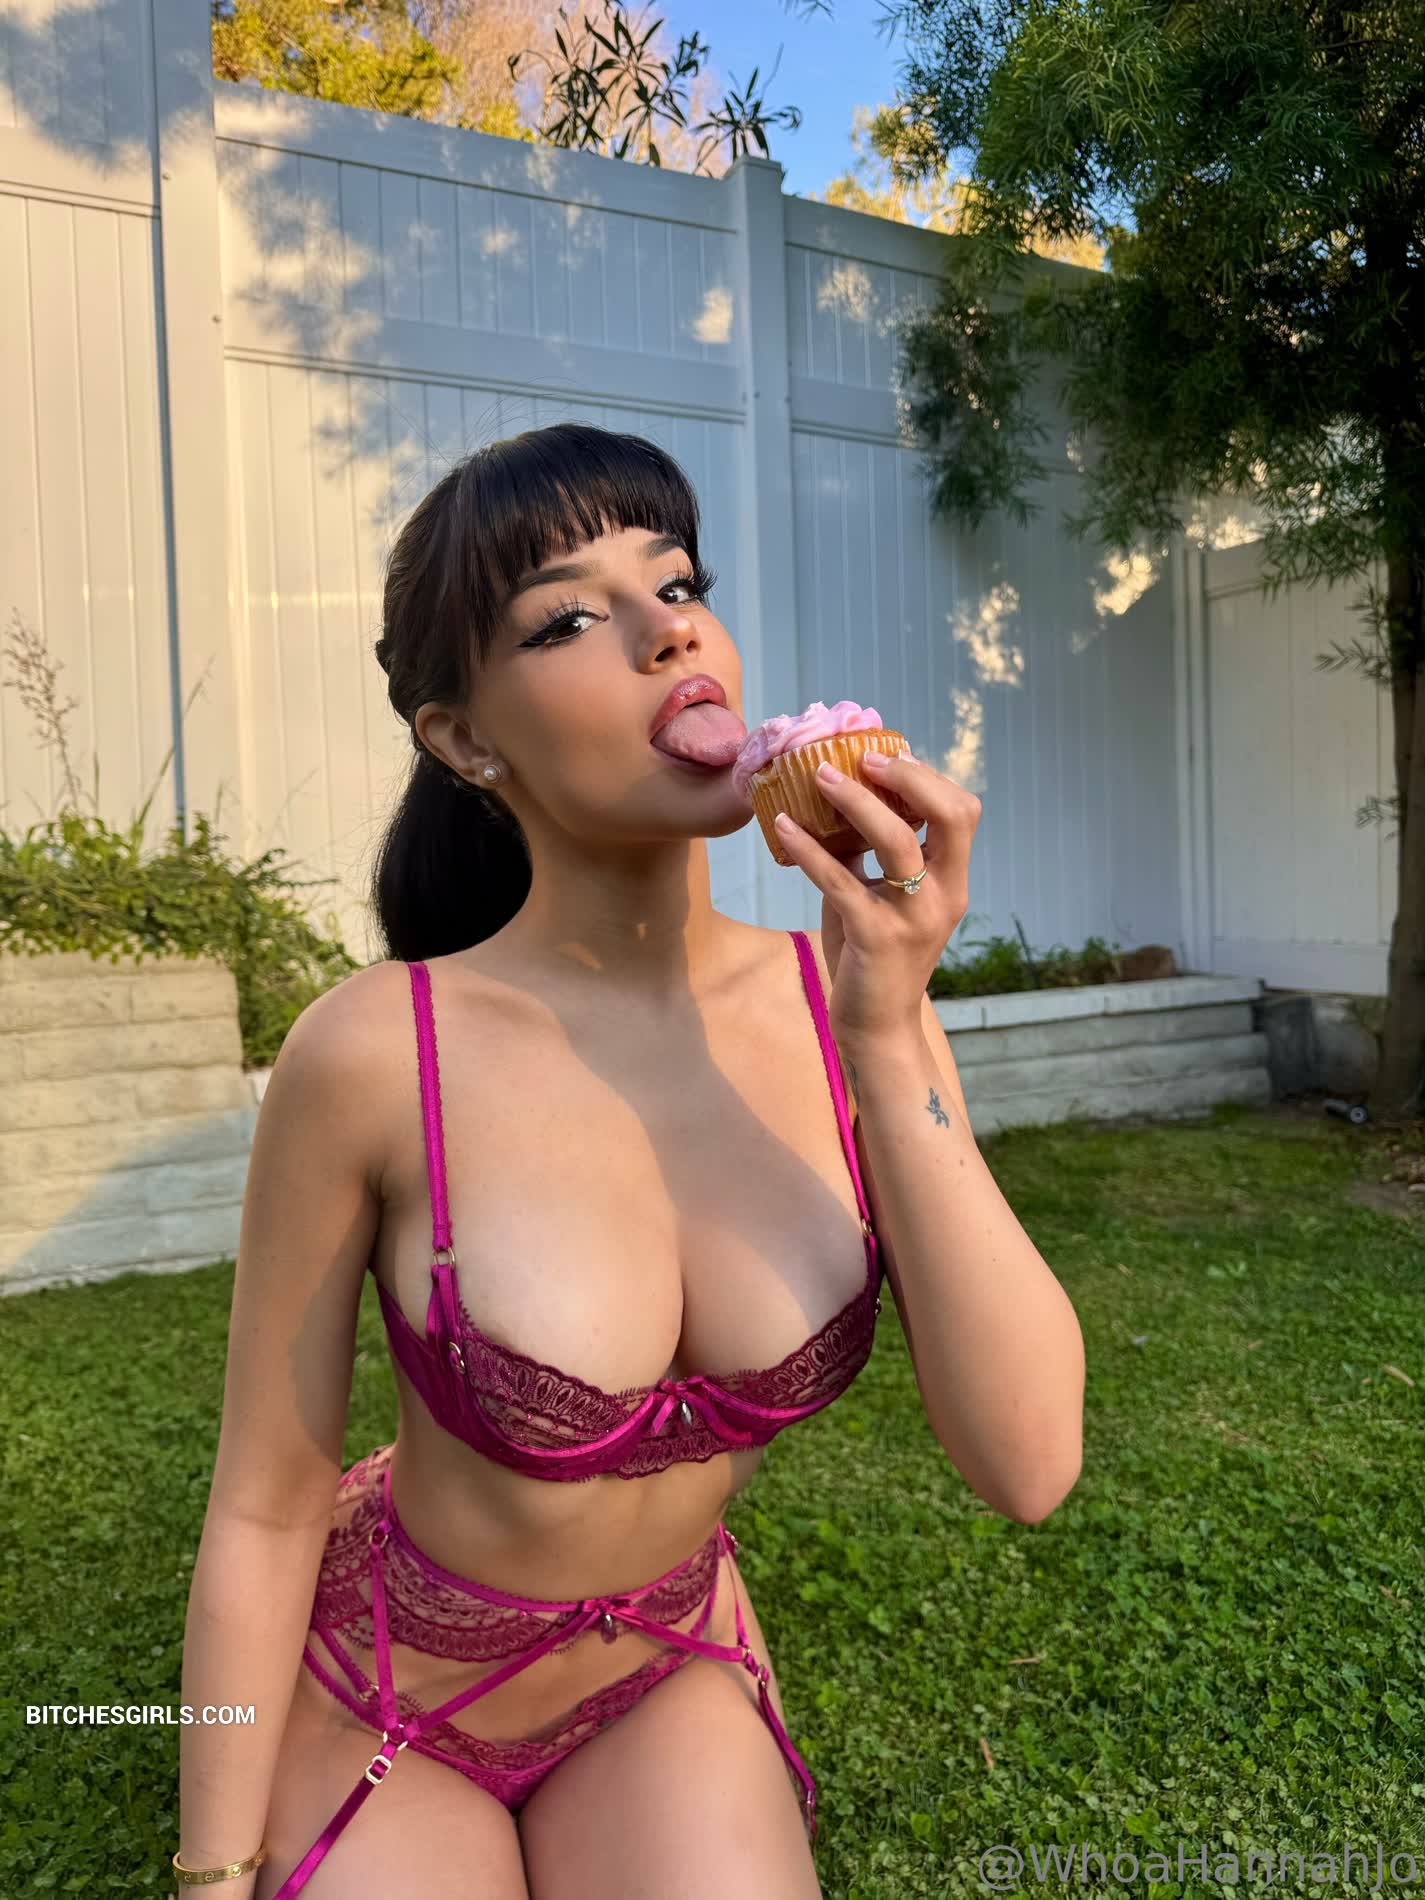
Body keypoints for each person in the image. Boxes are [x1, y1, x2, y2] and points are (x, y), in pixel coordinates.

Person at [174, 421, 1078, 1899]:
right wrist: (212, 1874)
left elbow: (1029, 1464)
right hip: (388, 1681)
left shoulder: (844, 1005)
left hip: (659, 1660)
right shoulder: (376, 1052)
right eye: (568, 619)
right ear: (465, 741)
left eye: (678, 585)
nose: (670, 632)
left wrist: (889, 1030)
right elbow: (267, 1503)